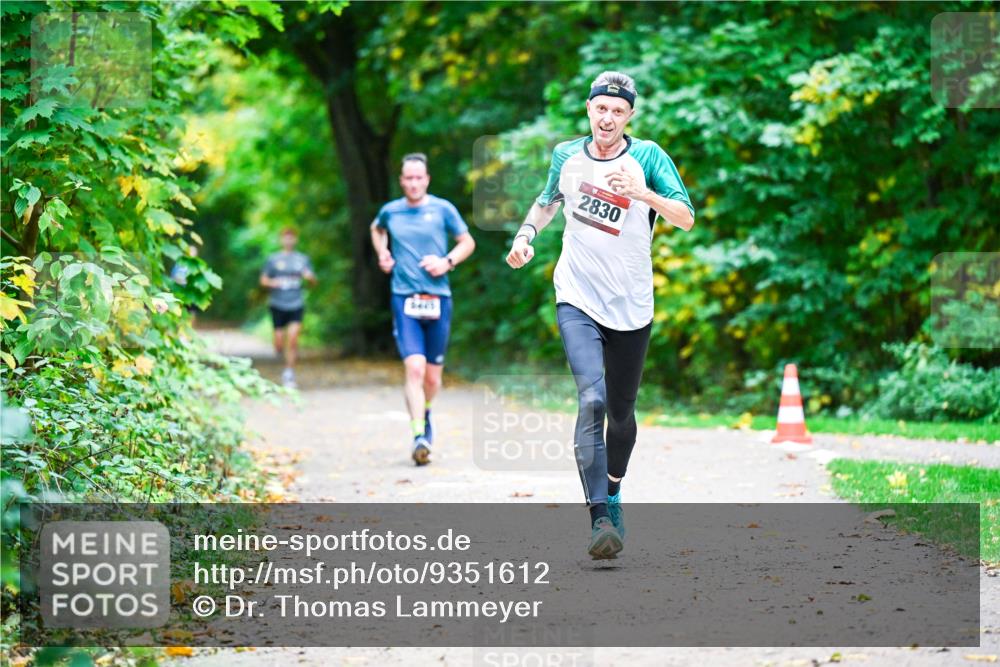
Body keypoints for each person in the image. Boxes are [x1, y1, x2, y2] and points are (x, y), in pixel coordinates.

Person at [505, 71, 695, 559]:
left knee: (621, 413)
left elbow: (685, 216)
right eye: (600, 108)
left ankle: (612, 489)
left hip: (631, 306)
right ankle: (599, 520)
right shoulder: (567, 155)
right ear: (588, 109)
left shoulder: (648, 157)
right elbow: (548, 202)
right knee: (591, 398)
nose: (607, 117)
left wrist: (643, 193)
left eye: (618, 110)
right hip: (577, 295)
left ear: (630, 115)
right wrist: (526, 235)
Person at [371, 153, 476, 466]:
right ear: (402, 181)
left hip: (438, 299)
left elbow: (467, 241)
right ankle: (419, 434)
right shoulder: (391, 211)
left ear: (427, 179)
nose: (414, 183)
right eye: (408, 178)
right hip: (404, 297)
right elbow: (376, 229)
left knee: (432, 379)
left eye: (419, 178)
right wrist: (383, 253)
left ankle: (425, 414)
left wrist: (447, 261)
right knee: (414, 368)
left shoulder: (442, 209)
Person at [260, 228, 316, 389]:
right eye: (286, 238)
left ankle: (289, 372)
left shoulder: (302, 259)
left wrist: (309, 277)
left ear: (295, 240)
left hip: (296, 303)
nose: (288, 241)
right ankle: (278, 348)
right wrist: (273, 283)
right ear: (281, 240)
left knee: (292, 339)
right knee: (279, 341)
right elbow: (263, 280)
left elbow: (313, 281)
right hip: (277, 303)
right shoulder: (273, 259)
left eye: (291, 238)